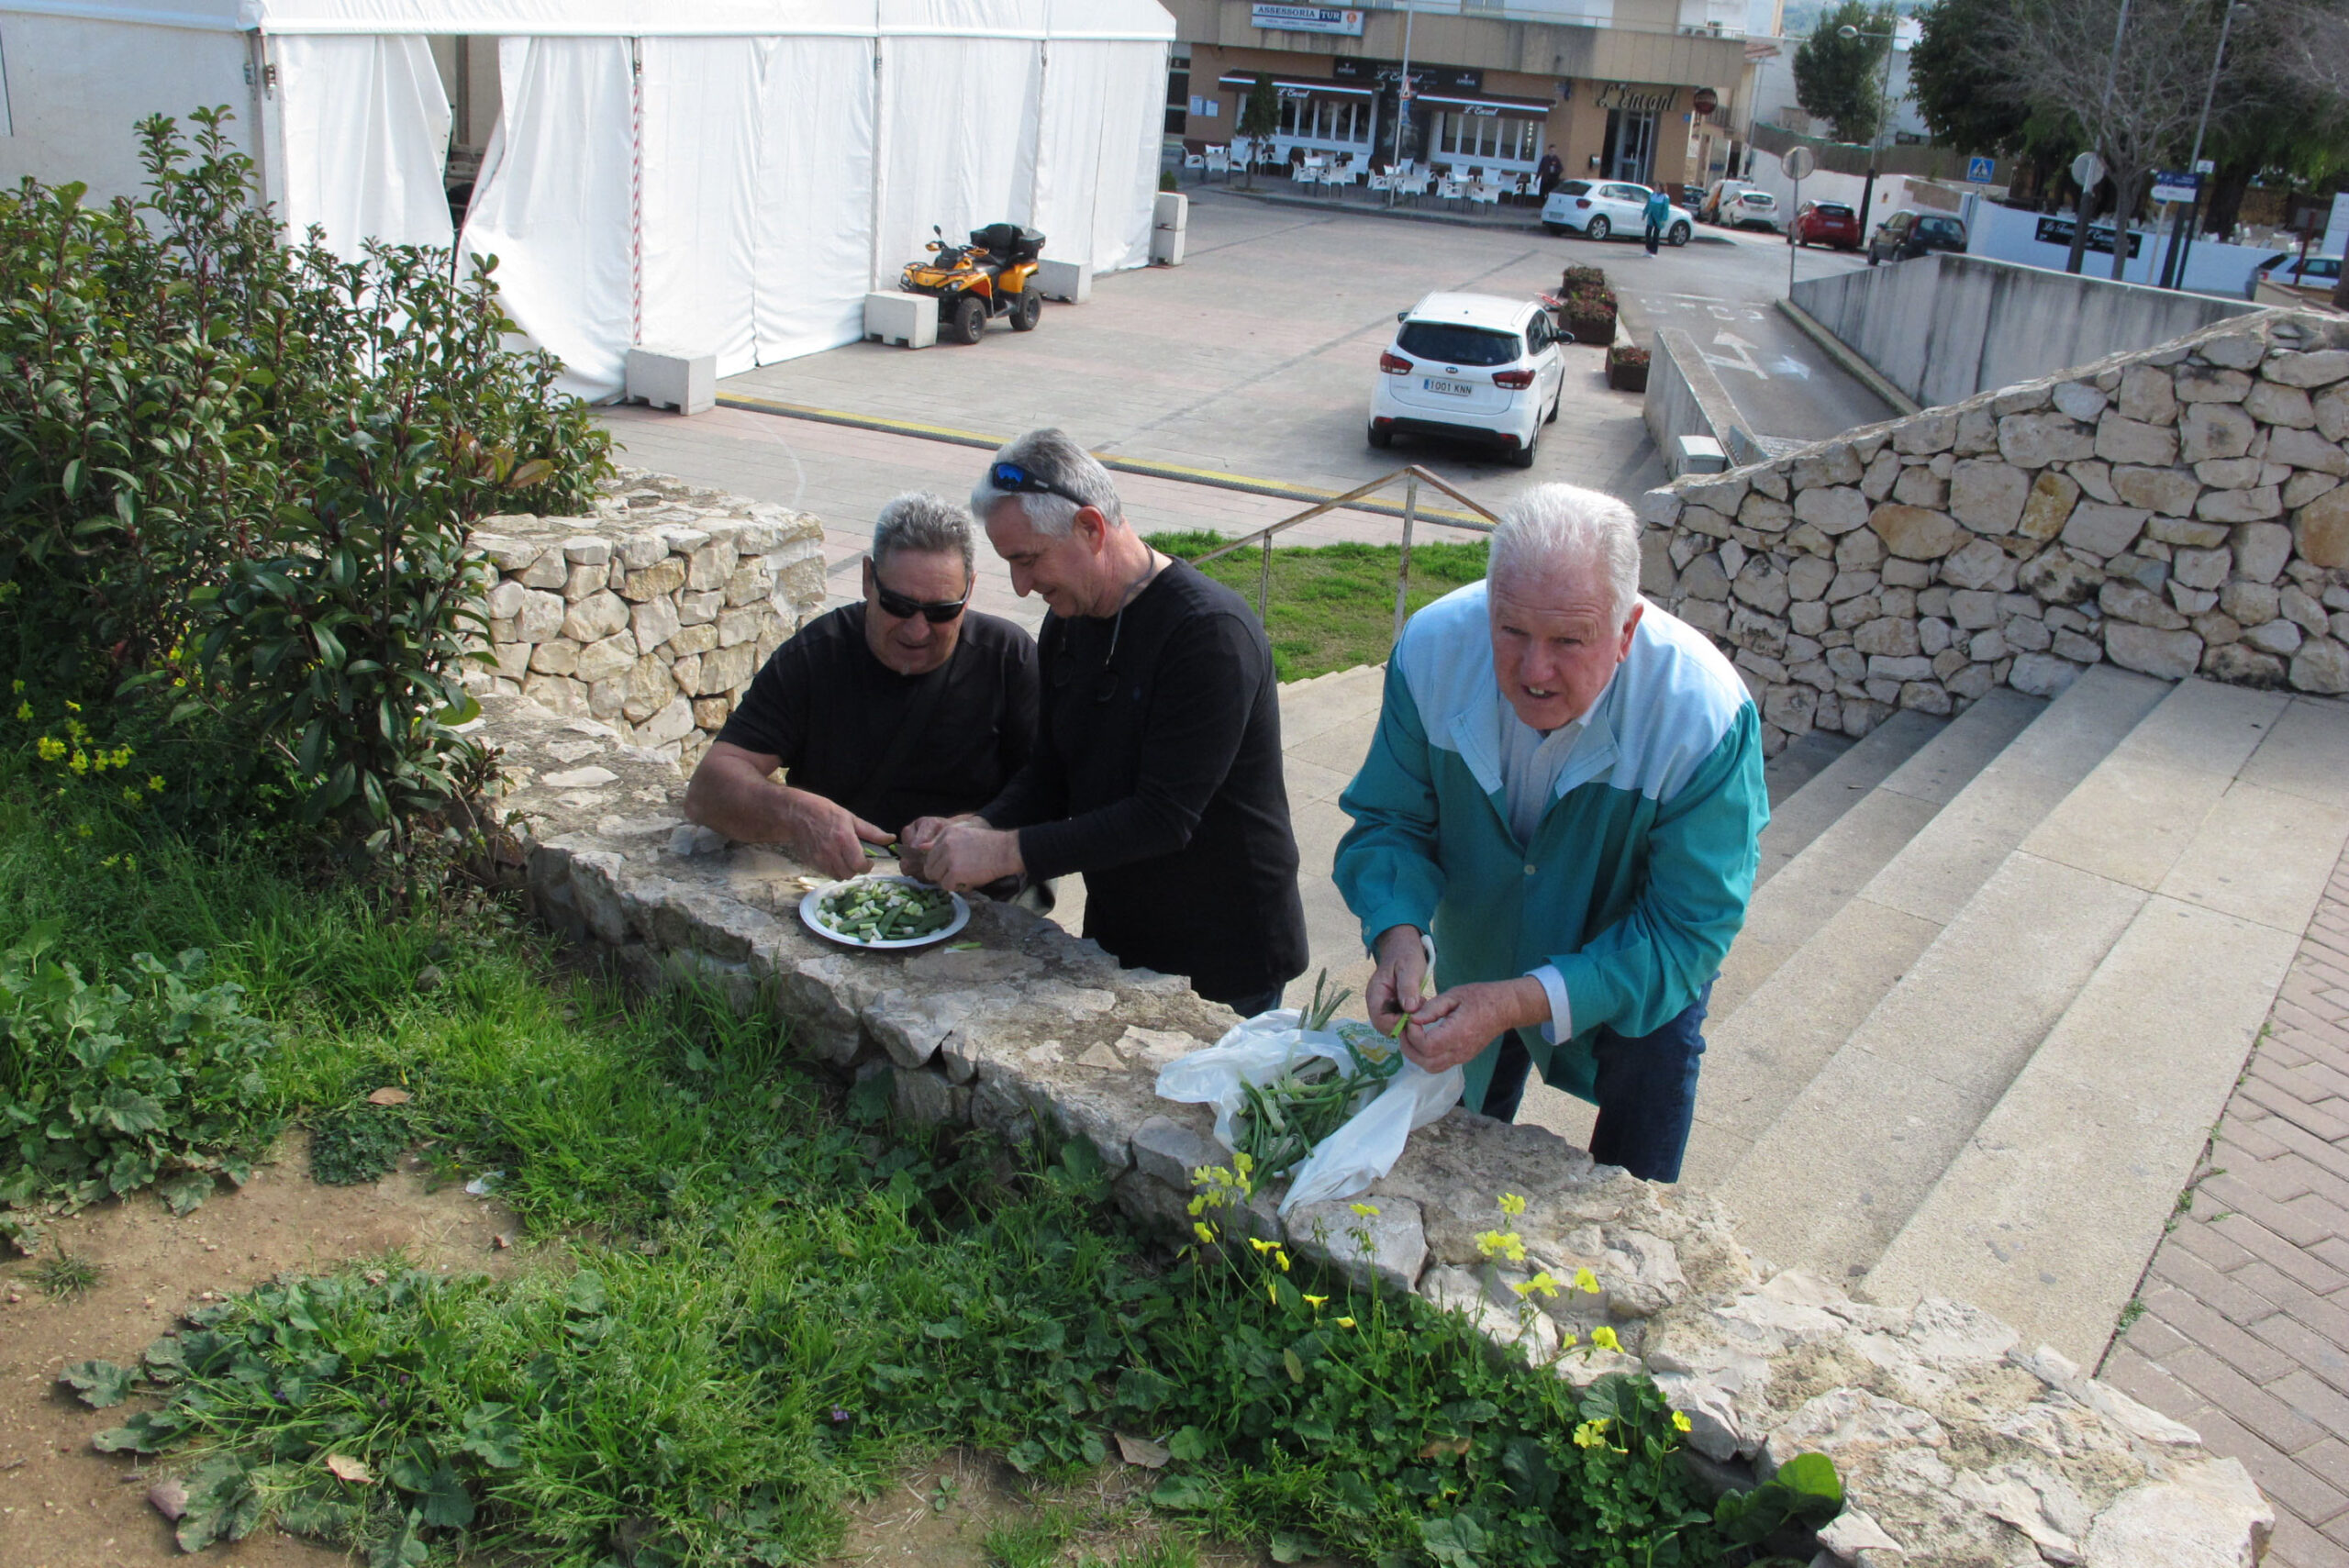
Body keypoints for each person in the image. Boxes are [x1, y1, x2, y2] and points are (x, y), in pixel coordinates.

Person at [1332, 484, 1766, 1182]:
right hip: (1481, 950)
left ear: (1626, 631)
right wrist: (1397, 933)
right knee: (1459, 1136)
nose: (1535, 671)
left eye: (1570, 640)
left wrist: (1516, 999)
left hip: (1636, 985)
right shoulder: (1433, 649)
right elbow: (1391, 818)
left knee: (1631, 1182)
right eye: (1510, 631)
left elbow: (1687, 932)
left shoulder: (1702, 715)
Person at [898, 428, 1308, 1015]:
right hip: (1122, 930)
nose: (1021, 586)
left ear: (1090, 528)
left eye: (1028, 559)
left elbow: (1163, 818)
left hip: (1226, 954)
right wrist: (978, 827)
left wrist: (1004, 852)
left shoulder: (1209, 635)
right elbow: (1051, 775)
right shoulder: (1069, 620)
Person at [683, 493, 1038, 880]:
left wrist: (976, 829)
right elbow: (707, 791)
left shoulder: (1009, 659)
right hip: (836, 888)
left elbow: (1053, 794)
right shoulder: (819, 652)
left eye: (941, 612)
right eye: (898, 606)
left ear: (968, 593)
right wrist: (798, 813)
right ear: (868, 579)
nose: (917, 630)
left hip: (978, 898)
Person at [1643, 184, 1671, 255]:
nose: (1656, 188)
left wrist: (1664, 219)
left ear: (1661, 188)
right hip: (1651, 217)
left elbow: (1665, 209)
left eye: (1657, 187)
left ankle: (1654, 251)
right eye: (1655, 186)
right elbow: (1648, 205)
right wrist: (1644, 213)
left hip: (1659, 218)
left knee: (1656, 234)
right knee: (1648, 233)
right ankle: (1648, 249)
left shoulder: (1665, 197)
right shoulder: (1652, 195)